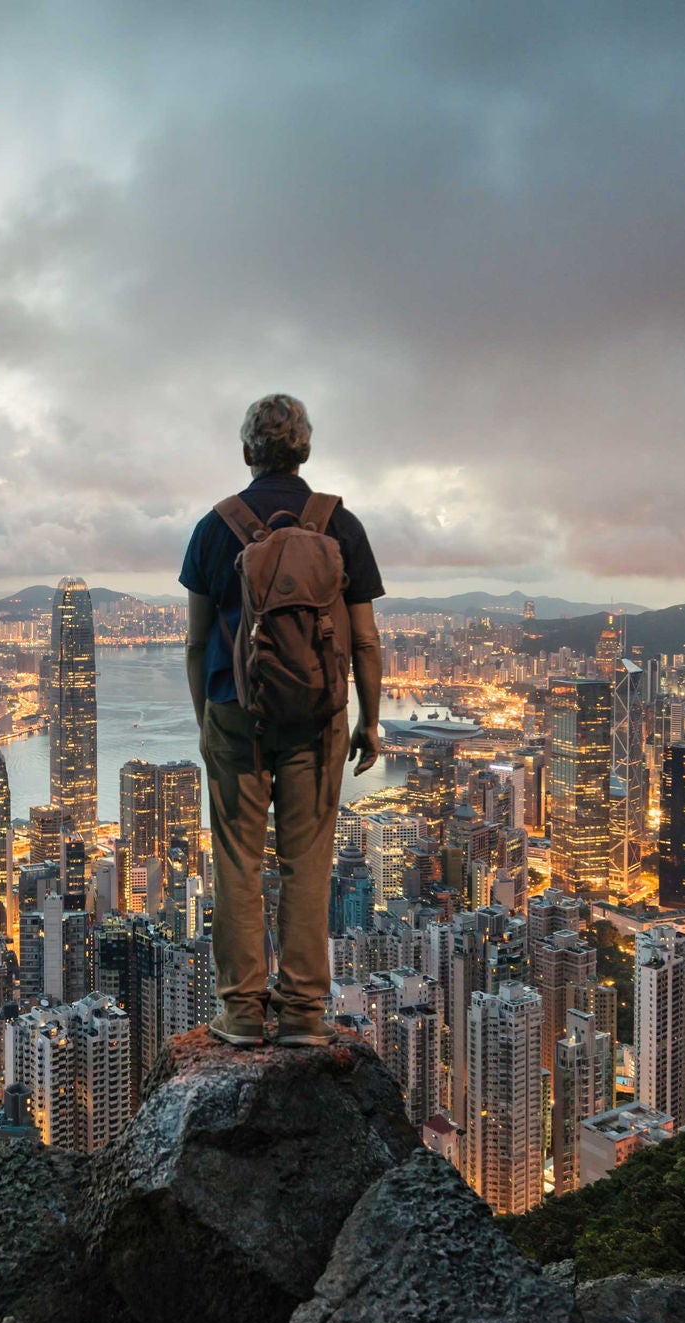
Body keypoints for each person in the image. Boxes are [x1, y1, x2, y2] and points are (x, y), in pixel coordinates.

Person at [180, 393, 384, 1046]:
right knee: (307, 862)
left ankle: (241, 1013)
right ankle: (301, 1015)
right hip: (318, 719)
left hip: (233, 714)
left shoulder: (216, 528)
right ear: (305, 450)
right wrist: (369, 719)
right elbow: (365, 638)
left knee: (237, 863)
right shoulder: (338, 525)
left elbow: (195, 640)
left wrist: (207, 716)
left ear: (246, 453)